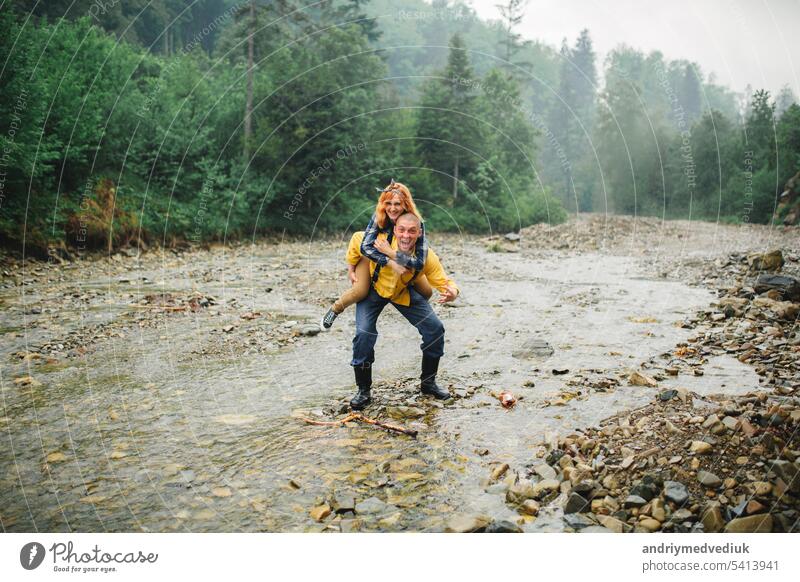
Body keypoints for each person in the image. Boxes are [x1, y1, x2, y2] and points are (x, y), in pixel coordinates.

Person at [346, 212, 459, 410]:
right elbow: (356, 239)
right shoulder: (379, 242)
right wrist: (351, 267)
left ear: (419, 233)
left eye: (412, 231)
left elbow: (444, 281)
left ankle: (428, 383)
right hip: (373, 290)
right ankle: (363, 390)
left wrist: (453, 291)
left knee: (435, 328)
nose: (406, 235)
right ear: (395, 230)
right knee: (364, 334)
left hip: (402, 292)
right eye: (402, 230)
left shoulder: (425, 255)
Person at [320, 180, 433, 330]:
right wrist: (389, 262)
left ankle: (408, 306)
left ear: (405, 204)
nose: (392, 209)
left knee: (427, 291)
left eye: (397, 204)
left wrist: (394, 255)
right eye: (388, 203)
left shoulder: (416, 223)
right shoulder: (379, 216)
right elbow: (365, 247)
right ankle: (335, 310)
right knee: (360, 291)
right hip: (373, 256)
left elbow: (419, 263)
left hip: (401, 258)